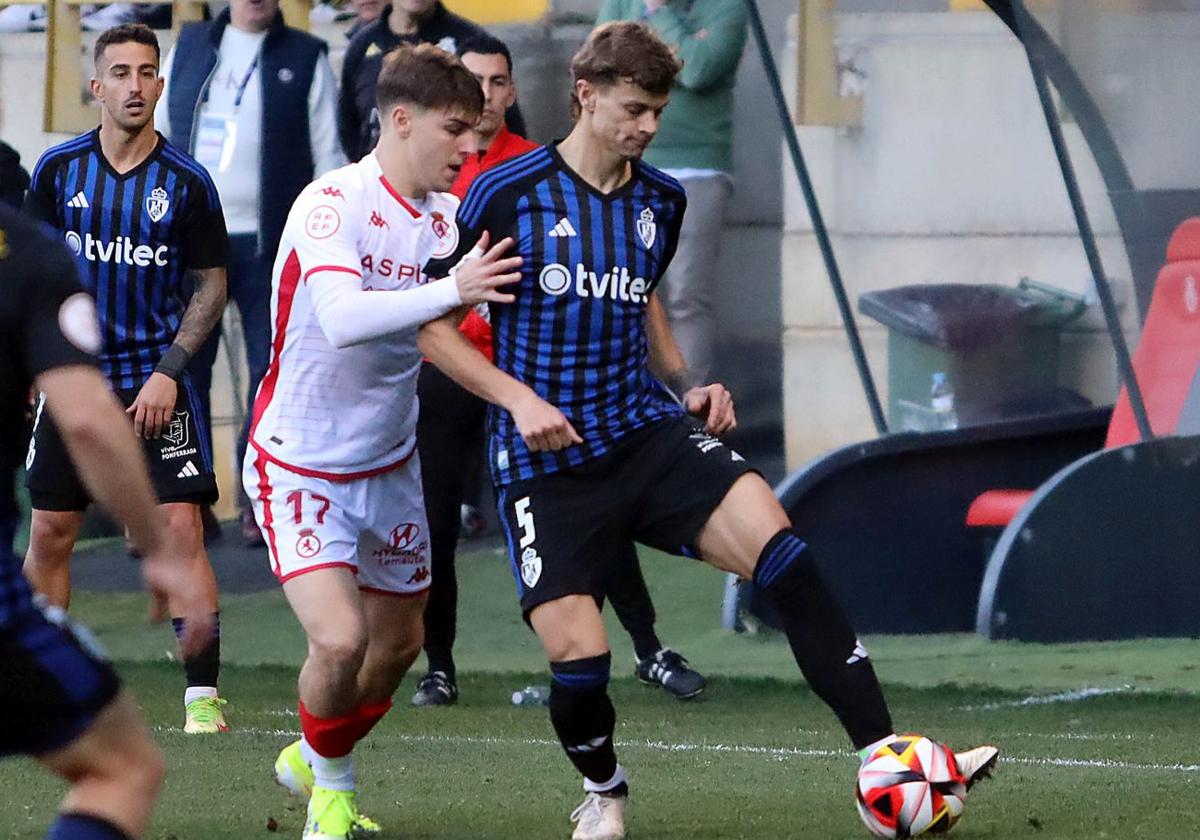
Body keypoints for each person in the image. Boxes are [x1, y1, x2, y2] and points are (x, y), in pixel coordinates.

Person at [421, 22, 999, 840]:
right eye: (634, 109)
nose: (649, 126)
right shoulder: (508, 191)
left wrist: (689, 385)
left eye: (658, 111)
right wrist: (516, 399)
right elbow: (433, 326)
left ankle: (886, 757)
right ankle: (606, 790)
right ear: (585, 94)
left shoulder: (663, 199)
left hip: (646, 433)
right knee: (580, 663)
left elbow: (644, 298)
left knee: (787, 559)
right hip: (546, 463)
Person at [244, 44, 526, 839]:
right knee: (339, 640)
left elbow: (443, 329)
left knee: (400, 646)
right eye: (454, 129)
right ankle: (330, 795)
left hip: (391, 464)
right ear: (400, 119)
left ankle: (311, 751)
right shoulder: (332, 202)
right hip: (300, 461)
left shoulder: (446, 220)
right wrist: (451, 289)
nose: (469, 147)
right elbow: (340, 320)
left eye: (476, 131)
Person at [410, 31, 706, 709]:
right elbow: (424, 294)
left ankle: (647, 646)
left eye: (496, 83)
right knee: (437, 515)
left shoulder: (539, 164)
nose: (484, 96)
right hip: (464, 365)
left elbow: (636, 285)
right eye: (470, 83)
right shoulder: (433, 170)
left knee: (600, 503)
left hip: (552, 382)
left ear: (512, 94)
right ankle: (439, 665)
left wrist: (681, 379)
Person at [23, 24, 232, 735]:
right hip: (73, 382)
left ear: (160, 86)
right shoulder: (56, 173)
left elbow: (211, 288)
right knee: (50, 531)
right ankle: (39, 677)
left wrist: (171, 372)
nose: (135, 86)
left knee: (179, 530)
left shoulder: (187, 184)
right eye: (121, 73)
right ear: (98, 86)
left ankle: (202, 697)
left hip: (155, 386)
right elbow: (30, 277)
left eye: (147, 73)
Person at [0, 197, 214, 840]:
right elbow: (89, 421)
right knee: (122, 768)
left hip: (152, 380)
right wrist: (156, 547)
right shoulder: (28, 252)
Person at [157, 0, 345, 547]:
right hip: (193, 243)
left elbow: (328, 156)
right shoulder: (192, 45)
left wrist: (320, 242)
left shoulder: (307, 54)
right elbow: (163, 134)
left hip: (272, 247)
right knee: (183, 372)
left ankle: (259, 499)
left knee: (272, 373)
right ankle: (186, 501)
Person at [596, 0, 747, 383]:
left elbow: (697, 69)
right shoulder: (619, 2)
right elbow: (603, 71)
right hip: (627, 164)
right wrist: (683, 43)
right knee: (620, 288)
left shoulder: (726, 6)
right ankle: (626, 403)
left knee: (686, 297)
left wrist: (657, 12)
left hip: (696, 169)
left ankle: (689, 415)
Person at [337, 0, 525, 163]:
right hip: (378, 191)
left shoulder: (470, 42)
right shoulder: (361, 46)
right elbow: (348, 128)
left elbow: (507, 123)